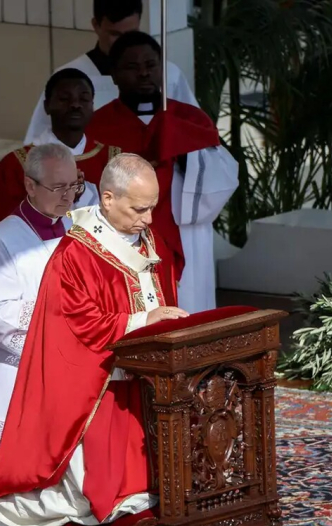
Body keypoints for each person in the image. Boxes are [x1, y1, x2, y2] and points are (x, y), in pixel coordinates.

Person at [0, 154, 189, 526]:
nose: (148, 218)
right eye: (139, 208)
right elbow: (74, 323)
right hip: (98, 384)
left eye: (153, 208)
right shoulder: (77, 253)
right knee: (94, 483)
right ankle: (20, 519)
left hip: (144, 380)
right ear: (108, 199)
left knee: (144, 472)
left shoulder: (149, 236)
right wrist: (142, 321)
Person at [0, 143, 98, 487]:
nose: (70, 197)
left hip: (64, 367)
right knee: (12, 478)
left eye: (75, 185)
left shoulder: (74, 231)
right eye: (58, 187)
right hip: (15, 372)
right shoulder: (3, 242)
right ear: (29, 186)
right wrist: (62, 327)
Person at [86, 31, 238, 315]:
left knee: (189, 306)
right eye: (132, 67)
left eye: (151, 65)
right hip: (124, 236)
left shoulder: (189, 119)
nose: (144, 73)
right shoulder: (98, 125)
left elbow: (223, 176)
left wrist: (182, 151)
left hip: (185, 231)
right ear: (114, 74)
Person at [23, 0, 199, 144]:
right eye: (115, 34)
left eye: (131, 33)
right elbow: (40, 142)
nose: (124, 43)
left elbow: (193, 129)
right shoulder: (67, 79)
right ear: (96, 25)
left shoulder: (168, 75)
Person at [0, 69, 116, 228]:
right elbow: (6, 229)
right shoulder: (16, 165)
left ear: (92, 105)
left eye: (83, 98)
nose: (75, 105)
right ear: (47, 106)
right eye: (64, 98)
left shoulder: (113, 160)